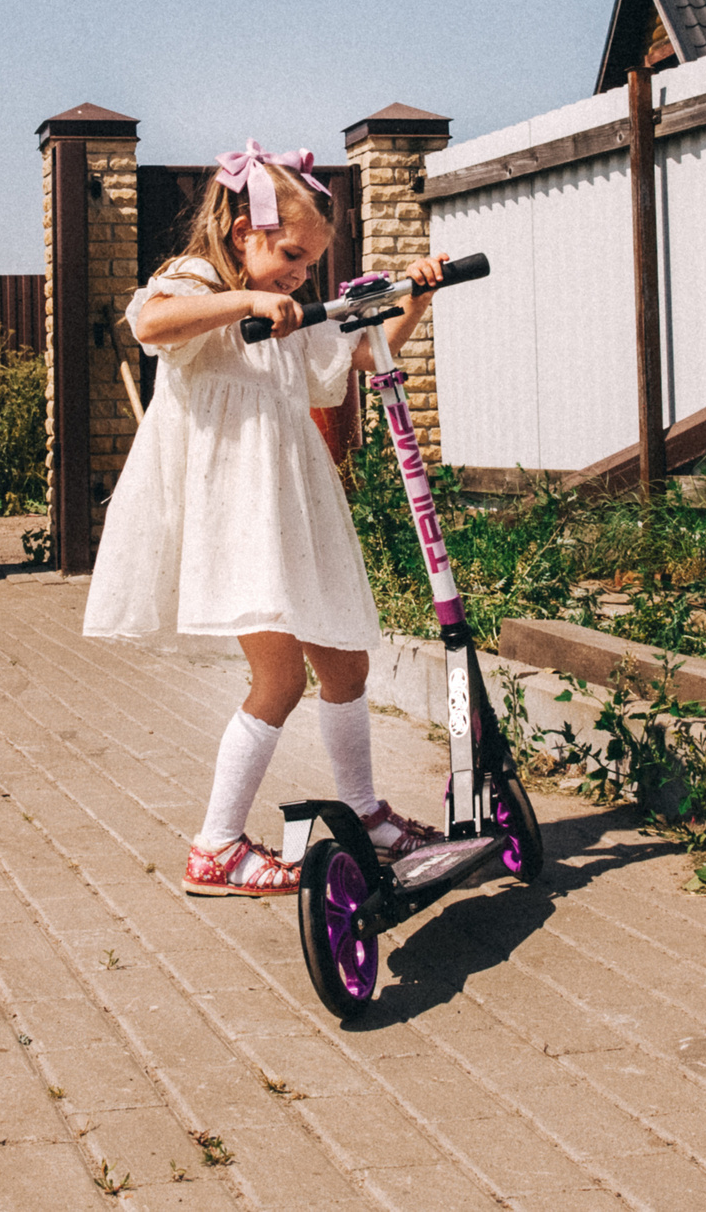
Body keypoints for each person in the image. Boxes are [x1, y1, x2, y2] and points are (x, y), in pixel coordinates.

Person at [83, 140, 450, 897]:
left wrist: (414, 298)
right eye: (289, 253)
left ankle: (365, 812)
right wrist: (248, 301)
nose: (300, 273)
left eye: (312, 263)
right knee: (279, 676)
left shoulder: (292, 310)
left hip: (293, 506)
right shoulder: (198, 284)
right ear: (244, 232)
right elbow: (151, 324)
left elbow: (352, 362)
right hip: (238, 514)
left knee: (345, 662)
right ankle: (215, 845)